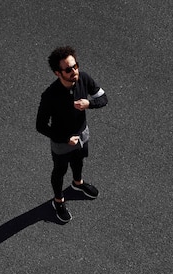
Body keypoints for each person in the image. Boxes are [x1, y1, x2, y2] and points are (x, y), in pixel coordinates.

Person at [36, 46, 108, 222]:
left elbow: (103, 98)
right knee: (59, 171)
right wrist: (65, 138)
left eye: (75, 66)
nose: (74, 71)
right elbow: (40, 126)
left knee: (78, 160)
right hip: (61, 142)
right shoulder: (49, 96)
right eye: (68, 69)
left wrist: (89, 104)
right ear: (57, 73)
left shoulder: (84, 78)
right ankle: (58, 200)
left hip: (82, 133)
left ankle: (77, 184)